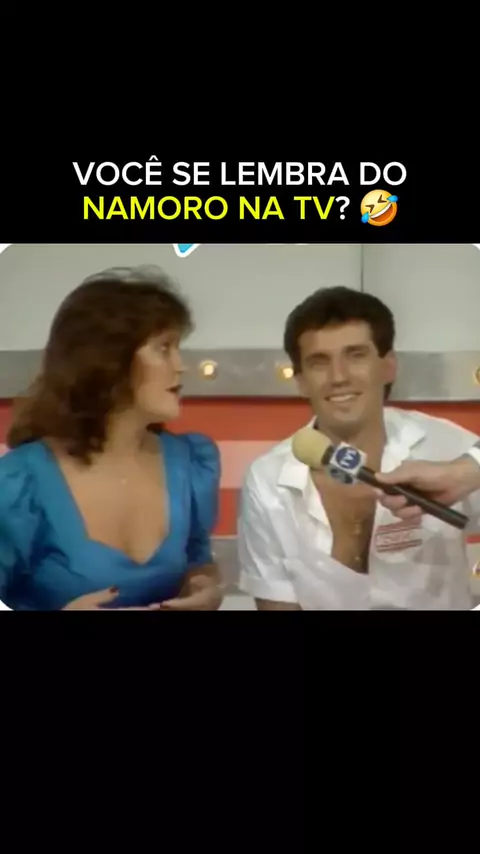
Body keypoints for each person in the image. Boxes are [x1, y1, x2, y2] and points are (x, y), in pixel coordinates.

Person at [237, 286, 480, 610]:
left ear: (388, 366)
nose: (339, 377)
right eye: (319, 362)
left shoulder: (446, 445)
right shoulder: (267, 480)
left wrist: (470, 469)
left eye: (356, 355)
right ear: (300, 380)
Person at [0, 265, 223, 610]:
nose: (181, 365)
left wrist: (205, 587)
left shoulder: (190, 463)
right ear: (109, 361)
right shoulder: (20, 482)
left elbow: (197, 559)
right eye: (164, 348)